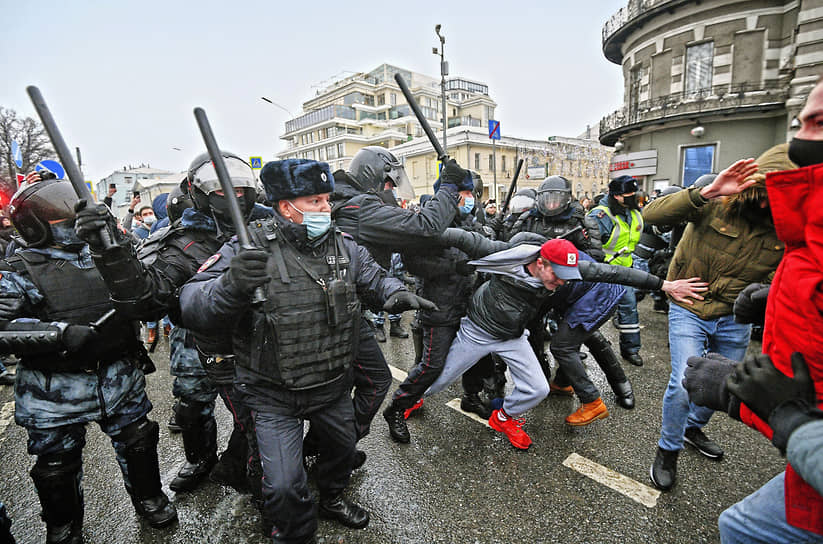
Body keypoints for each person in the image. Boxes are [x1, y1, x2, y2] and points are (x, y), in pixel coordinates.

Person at [178, 158, 435, 543]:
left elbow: (374, 278)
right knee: (282, 485)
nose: (326, 209)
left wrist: (395, 294)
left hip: (331, 387)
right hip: (272, 395)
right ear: (287, 207)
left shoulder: (345, 246)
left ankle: (331, 496)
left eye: (327, 199)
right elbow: (191, 302)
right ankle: (295, 532)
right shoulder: (248, 248)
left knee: (343, 452)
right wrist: (231, 285)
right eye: (315, 201)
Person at [73, 150, 264, 500]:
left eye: (239, 190)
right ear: (199, 191)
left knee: (258, 413)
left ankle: (243, 463)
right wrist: (109, 250)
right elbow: (146, 300)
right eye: (223, 191)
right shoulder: (183, 240)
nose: (234, 198)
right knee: (192, 403)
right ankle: (200, 458)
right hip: (196, 337)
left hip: (256, 335)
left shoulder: (266, 225)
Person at [0, 178, 177, 541]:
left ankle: (148, 497)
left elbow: (151, 291)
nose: (68, 221)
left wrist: (114, 245)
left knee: (138, 441)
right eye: (56, 217)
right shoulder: (19, 268)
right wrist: (57, 334)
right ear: (33, 226)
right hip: (53, 389)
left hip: (119, 374)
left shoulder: (112, 251)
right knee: (56, 466)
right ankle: (63, 525)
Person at [424, 236, 706, 447]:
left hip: (542, 322)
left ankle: (521, 413)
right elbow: (465, 240)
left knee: (552, 366)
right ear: (538, 263)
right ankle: (409, 400)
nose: (561, 281)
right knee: (439, 379)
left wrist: (664, 284)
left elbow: (614, 272)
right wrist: (423, 233)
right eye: (557, 276)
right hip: (480, 329)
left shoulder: (566, 270)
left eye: (565, 276)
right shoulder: (507, 261)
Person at [643, 152, 787, 491]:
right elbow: (651, 215)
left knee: (727, 384)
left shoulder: (788, 231)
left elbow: (786, 278)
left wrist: (762, 297)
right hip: (689, 307)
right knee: (683, 383)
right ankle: (668, 449)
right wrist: (704, 193)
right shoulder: (720, 201)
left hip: (733, 316)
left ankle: (693, 427)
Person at [329, 145, 470, 442]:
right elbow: (425, 226)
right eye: (389, 182)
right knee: (342, 390)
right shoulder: (361, 208)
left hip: (351, 306)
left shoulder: (351, 203)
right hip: (342, 313)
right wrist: (448, 186)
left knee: (373, 380)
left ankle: (339, 446)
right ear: (373, 176)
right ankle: (331, 449)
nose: (391, 189)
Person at [506, 175, 634, 410]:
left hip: (571, 290)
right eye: (548, 198)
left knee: (587, 337)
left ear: (566, 199)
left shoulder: (582, 221)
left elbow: (593, 260)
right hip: (538, 290)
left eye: (557, 199)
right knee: (532, 334)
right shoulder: (527, 218)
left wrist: (567, 267)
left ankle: (620, 384)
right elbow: (509, 243)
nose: (552, 204)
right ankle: (542, 380)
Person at [589, 175, 645, 366]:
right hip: (603, 271)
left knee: (629, 307)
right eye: (628, 194)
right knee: (591, 311)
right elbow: (590, 246)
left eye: (633, 193)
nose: (633, 197)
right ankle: (575, 347)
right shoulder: (601, 215)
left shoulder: (634, 212)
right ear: (617, 196)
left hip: (625, 270)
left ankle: (631, 349)